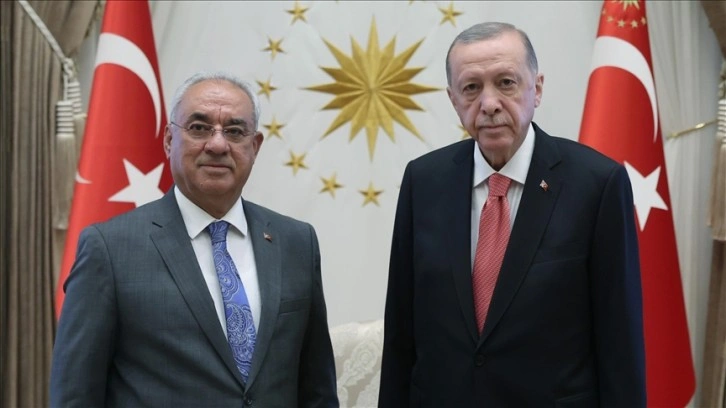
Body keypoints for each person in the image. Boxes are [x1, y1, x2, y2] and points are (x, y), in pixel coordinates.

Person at [378, 22, 646, 406]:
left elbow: (620, 343)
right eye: (471, 88)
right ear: (453, 99)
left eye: (506, 83)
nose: (489, 104)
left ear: (537, 89)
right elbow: (401, 334)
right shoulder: (423, 181)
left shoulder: (597, 184)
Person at [50, 72, 339, 407]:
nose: (217, 145)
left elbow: (317, 391)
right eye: (199, 128)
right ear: (169, 140)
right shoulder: (110, 249)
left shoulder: (297, 242)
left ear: (255, 146)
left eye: (234, 131)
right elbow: (75, 396)